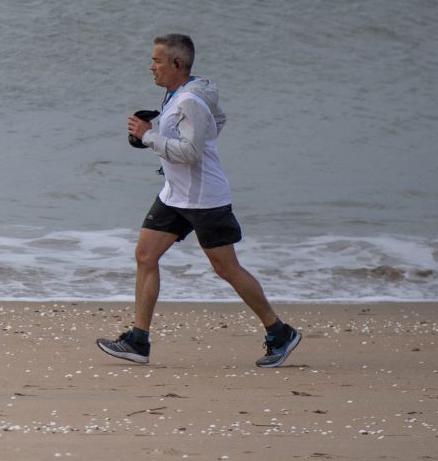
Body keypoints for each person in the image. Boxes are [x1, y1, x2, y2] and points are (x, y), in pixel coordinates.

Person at [97, 33, 300, 368]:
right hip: (175, 194)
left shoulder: (191, 100)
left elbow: (191, 153)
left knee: (226, 268)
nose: (151, 66)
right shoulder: (178, 93)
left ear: (177, 64)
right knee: (145, 256)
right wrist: (157, 136)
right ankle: (138, 340)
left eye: (157, 60)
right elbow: (218, 120)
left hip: (205, 198)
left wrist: (149, 136)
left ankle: (280, 332)